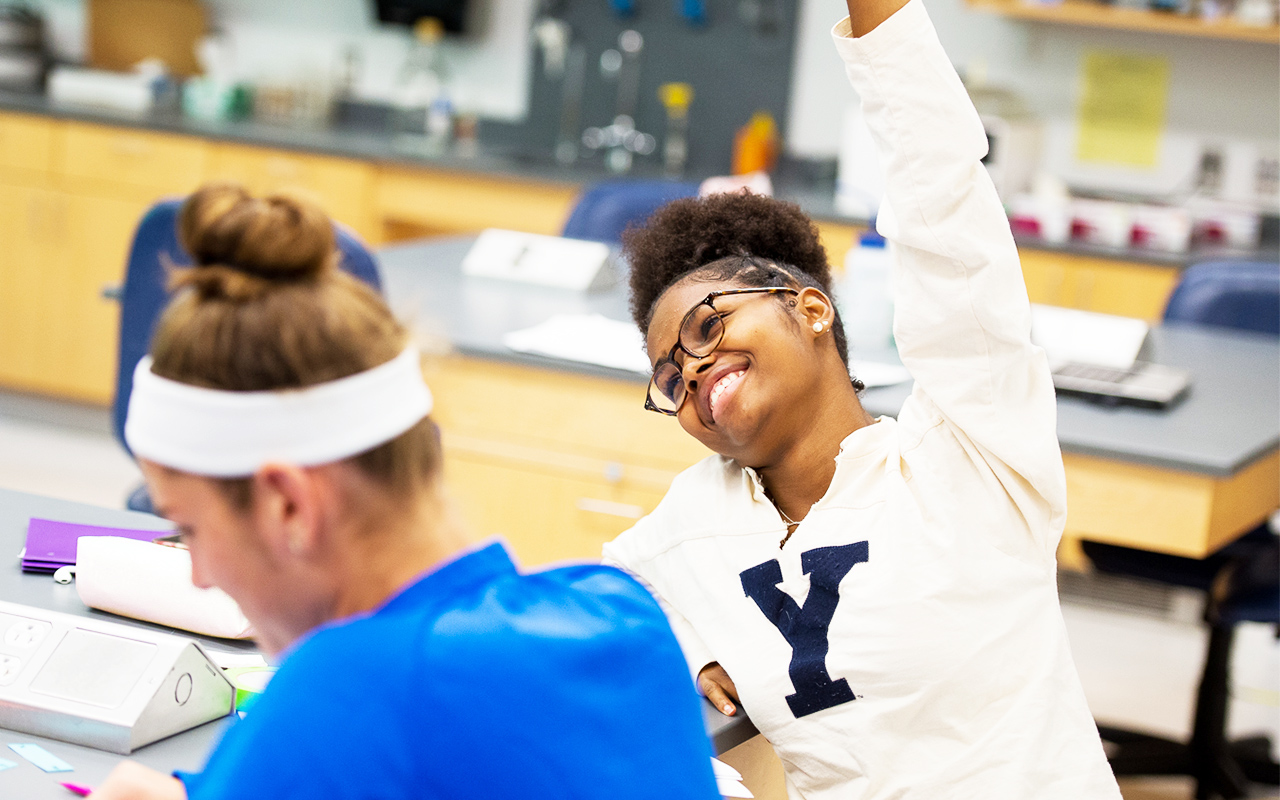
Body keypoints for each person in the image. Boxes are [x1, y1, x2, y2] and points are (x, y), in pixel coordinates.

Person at [601, 0, 1124, 798]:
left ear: (810, 309)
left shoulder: (969, 455)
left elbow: (943, 206)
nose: (695, 370)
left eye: (710, 324)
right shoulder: (693, 521)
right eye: (670, 376)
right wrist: (681, 641)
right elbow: (611, 590)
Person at [91, 184, 721, 800]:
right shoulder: (619, 614)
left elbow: (360, 732)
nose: (198, 575)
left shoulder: (345, 690)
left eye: (190, 530)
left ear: (288, 505)